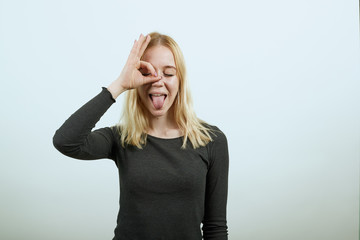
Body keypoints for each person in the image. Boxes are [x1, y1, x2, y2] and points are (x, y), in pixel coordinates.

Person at [53, 32, 229, 240]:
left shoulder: (212, 140)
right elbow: (66, 141)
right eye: (148, 72)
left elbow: (215, 228)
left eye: (169, 73)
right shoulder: (122, 138)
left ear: (180, 80)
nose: (157, 81)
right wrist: (119, 84)